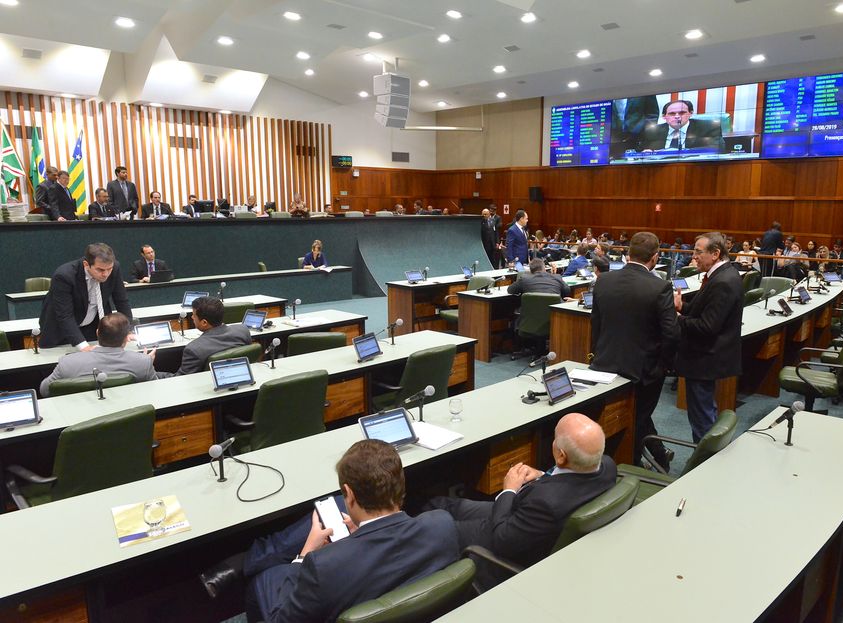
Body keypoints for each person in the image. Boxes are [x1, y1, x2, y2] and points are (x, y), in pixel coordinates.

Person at [242, 440, 458, 623]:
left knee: (264, 579)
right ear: (401, 483)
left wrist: (304, 555)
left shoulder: (322, 565)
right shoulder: (441, 524)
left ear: (349, 494)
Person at [428, 413, 615, 589]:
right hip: (522, 515)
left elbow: (501, 538)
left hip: (500, 535)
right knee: (448, 505)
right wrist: (542, 475)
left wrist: (509, 489)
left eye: (555, 439)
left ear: (561, 456)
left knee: (439, 526)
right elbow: (567, 481)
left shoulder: (546, 504)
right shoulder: (607, 466)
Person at [590, 232, 680, 471]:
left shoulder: (604, 281)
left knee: (622, 415)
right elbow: (671, 334)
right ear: (656, 257)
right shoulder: (660, 287)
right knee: (638, 416)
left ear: (628, 253)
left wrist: (596, 356)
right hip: (645, 369)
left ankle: (655, 455)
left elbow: (596, 325)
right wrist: (664, 366)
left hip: (605, 364)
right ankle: (639, 463)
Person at [674, 232, 743, 442]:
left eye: (698, 252)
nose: (694, 256)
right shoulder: (721, 275)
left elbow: (707, 326)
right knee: (705, 411)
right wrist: (683, 307)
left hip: (705, 358)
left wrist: (677, 317)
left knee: (702, 416)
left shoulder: (723, 281)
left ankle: (704, 462)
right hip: (706, 356)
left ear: (715, 253)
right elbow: (702, 311)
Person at [39, 312, 167, 397]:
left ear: (97, 333)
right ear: (127, 338)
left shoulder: (67, 362)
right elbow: (154, 390)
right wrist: (147, 364)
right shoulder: (142, 362)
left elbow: (44, 390)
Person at [38, 243, 133, 350]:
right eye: (100, 270)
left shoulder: (115, 268)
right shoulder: (64, 276)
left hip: (92, 327)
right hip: (61, 331)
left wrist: (127, 331)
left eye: (109, 269)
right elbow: (65, 315)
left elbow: (122, 301)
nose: (106, 274)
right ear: (86, 264)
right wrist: (83, 346)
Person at [174, 296, 251, 375]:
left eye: (194, 315)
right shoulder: (243, 331)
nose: (192, 317)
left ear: (204, 323)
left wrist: (160, 375)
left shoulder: (193, 349)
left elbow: (182, 379)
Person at [637, 99, 725, 153]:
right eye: (672, 113)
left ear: (690, 114)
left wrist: (681, 152)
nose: (677, 116)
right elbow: (639, 151)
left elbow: (718, 148)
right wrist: (645, 153)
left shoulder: (709, 127)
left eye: (682, 113)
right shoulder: (651, 131)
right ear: (664, 116)